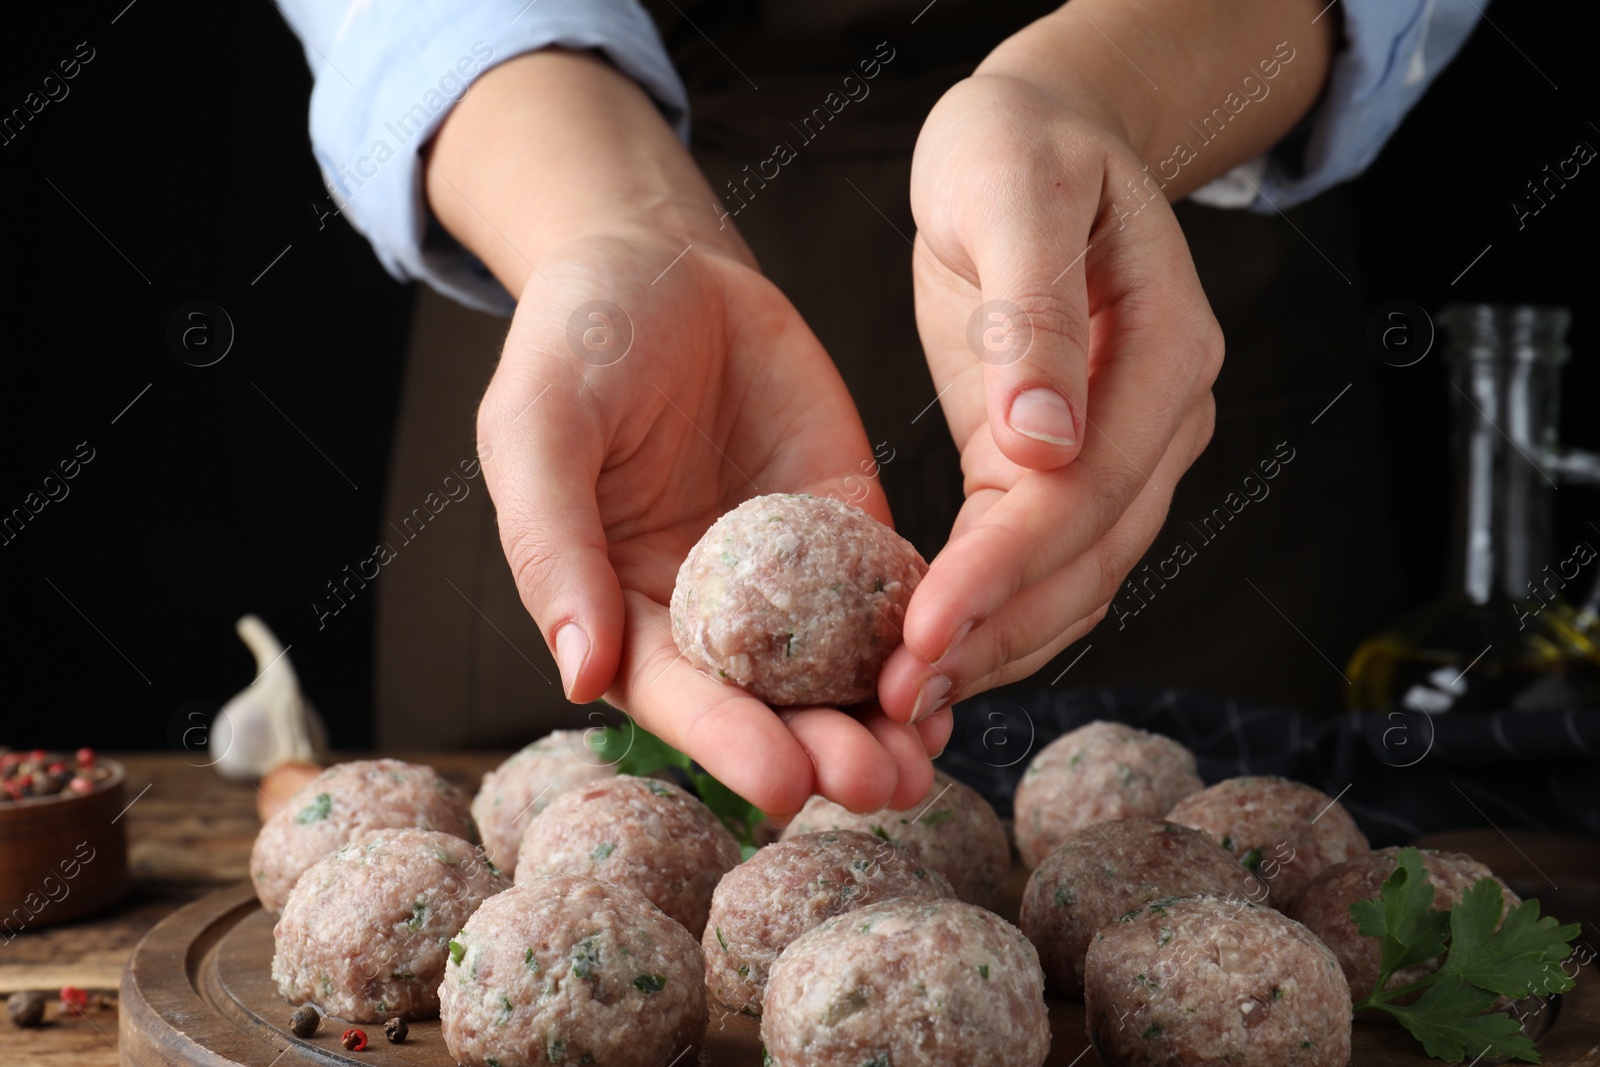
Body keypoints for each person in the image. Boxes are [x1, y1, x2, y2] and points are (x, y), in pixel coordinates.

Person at [275, 0, 1482, 820]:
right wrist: (610, 226)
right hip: (598, 348)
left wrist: (1091, 93)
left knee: (1222, 855)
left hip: (1138, 277)